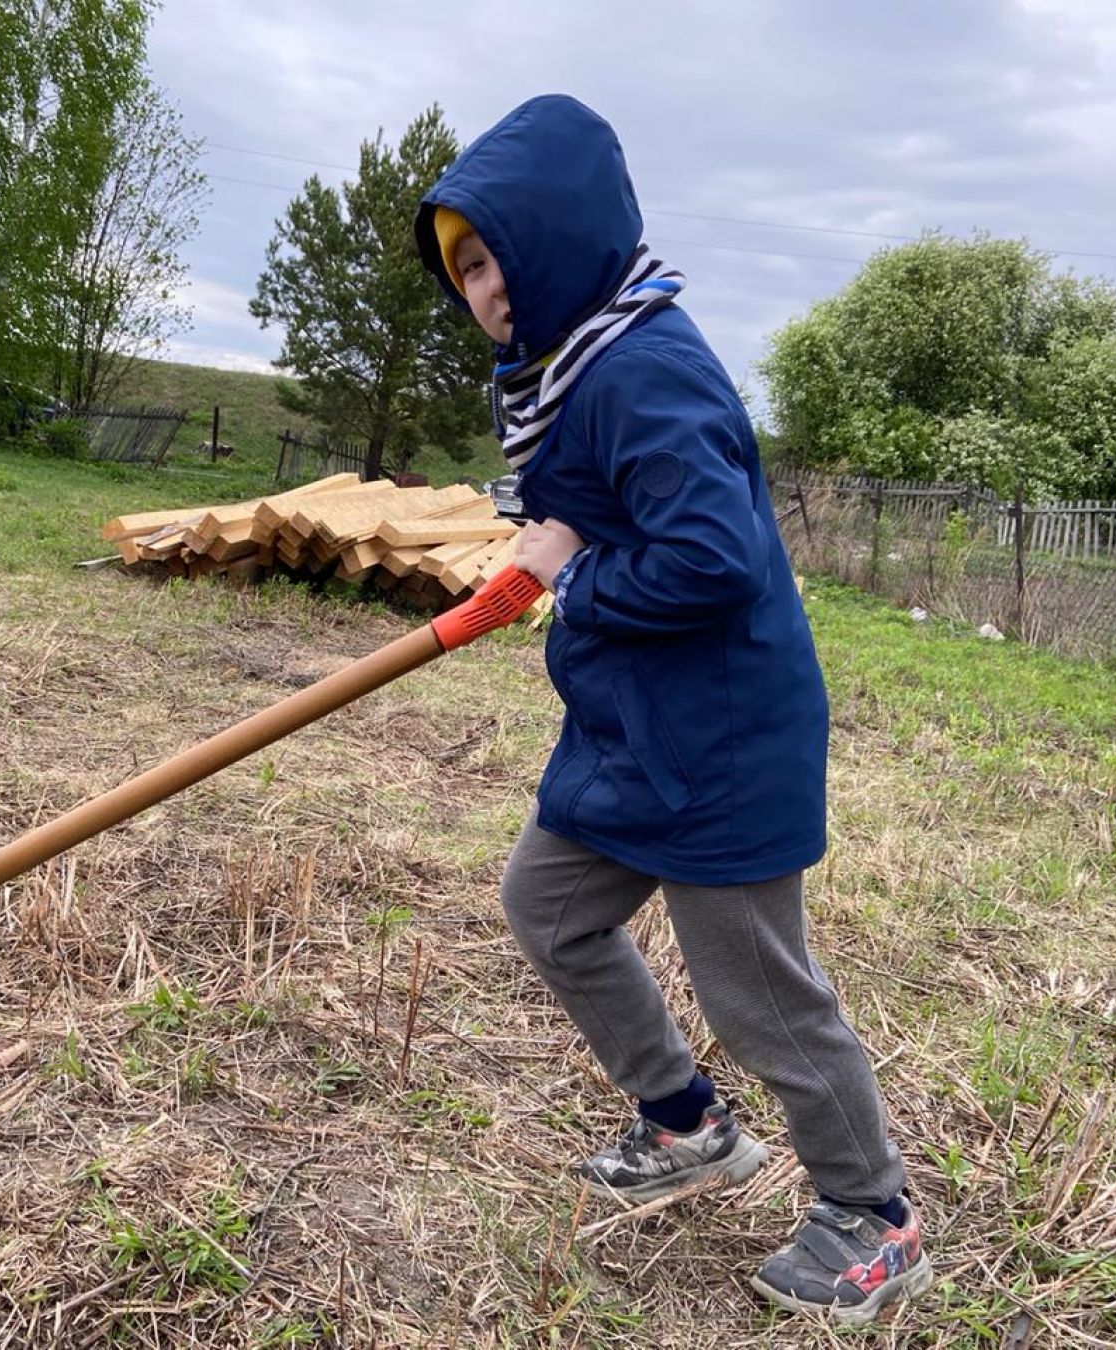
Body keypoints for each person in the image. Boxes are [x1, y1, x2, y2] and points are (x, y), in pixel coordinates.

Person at [414, 94, 932, 1325]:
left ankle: (876, 1214)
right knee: (549, 906)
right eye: (465, 271)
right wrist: (547, 553)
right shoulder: (579, 368)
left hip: (720, 742)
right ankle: (686, 1123)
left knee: (763, 997)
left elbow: (708, 557)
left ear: (557, 238)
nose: (484, 288)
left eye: (494, 255)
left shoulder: (641, 367)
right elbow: (599, 504)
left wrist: (573, 579)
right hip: (635, 725)